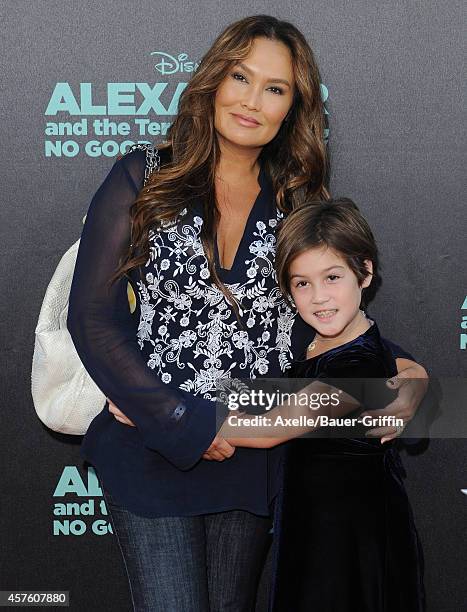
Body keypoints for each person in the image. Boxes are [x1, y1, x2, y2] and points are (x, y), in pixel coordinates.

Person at [67, 15, 428, 612]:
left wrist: (401, 365)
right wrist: (179, 419)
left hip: (253, 457)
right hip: (153, 445)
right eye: (241, 76)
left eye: (275, 88)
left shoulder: (297, 201)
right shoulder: (143, 177)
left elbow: (327, 310)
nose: (252, 100)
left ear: (293, 106)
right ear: (214, 80)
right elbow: (93, 317)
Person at [219, 199, 426, 611]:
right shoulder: (313, 343)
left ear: (364, 273)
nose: (318, 298)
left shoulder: (358, 366)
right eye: (301, 283)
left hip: (353, 542)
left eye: (332, 277)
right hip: (313, 530)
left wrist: (158, 417)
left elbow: (269, 430)